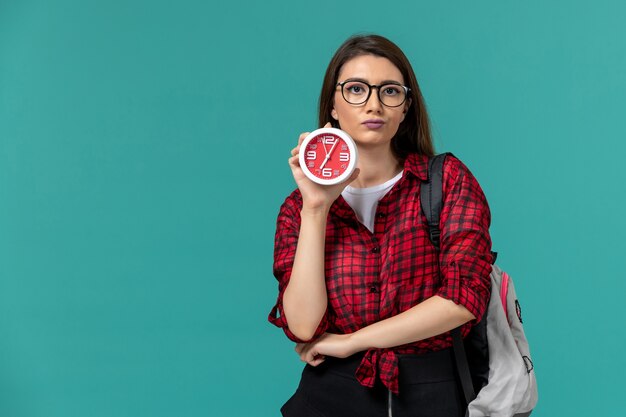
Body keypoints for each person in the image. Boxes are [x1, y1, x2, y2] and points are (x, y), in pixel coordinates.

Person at [268, 34, 494, 417]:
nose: (374, 104)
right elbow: (304, 327)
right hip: (330, 395)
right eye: (356, 89)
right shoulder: (298, 209)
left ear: (405, 107)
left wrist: (352, 341)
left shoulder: (445, 180)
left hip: (432, 393)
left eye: (389, 91)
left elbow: (462, 298)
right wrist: (317, 207)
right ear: (334, 106)